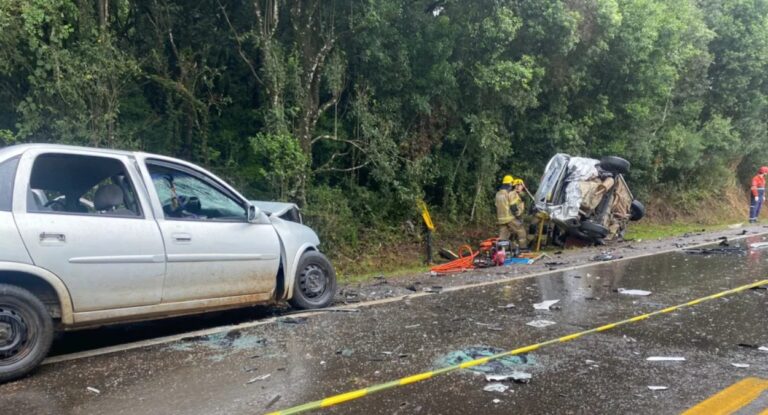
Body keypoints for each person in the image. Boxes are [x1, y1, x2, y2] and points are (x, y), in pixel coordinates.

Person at [495, 175, 528, 250]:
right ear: (509, 184)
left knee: (503, 236)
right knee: (521, 230)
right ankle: (523, 248)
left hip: (500, 219)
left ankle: (504, 251)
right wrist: (517, 215)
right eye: (511, 185)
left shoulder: (498, 194)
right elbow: (513, 207)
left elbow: (497, 206)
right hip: (509, 217)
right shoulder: (508, 194)